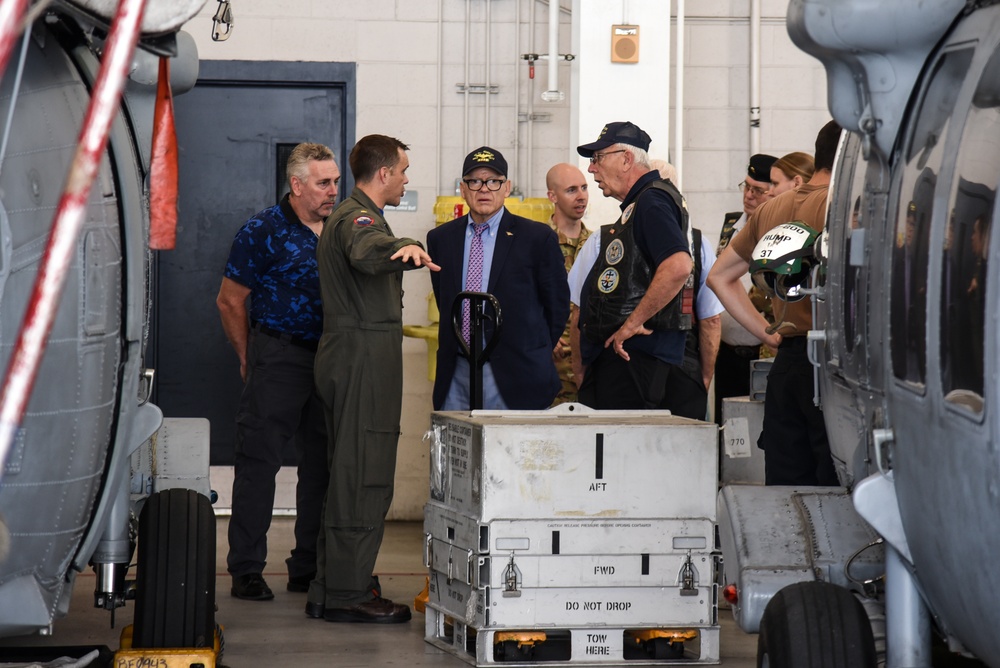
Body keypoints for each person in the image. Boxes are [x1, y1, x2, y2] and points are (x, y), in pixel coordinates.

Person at [307, 135, 439, 624]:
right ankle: (346, 592)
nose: (406, 179)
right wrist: (405, 245)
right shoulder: (359, 218)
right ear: (383, 174)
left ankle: (333, 583)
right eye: (402, 170)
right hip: (361, 354)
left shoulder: (351, 215)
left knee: (347, 471)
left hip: (354, 351)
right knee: (363, 474)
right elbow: (367, 251)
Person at [216, 142, 338, 601]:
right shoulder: (262, 230)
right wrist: (250, 355)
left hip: (329, 359)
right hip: (279, 357)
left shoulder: (341, 227)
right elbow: (230, 300)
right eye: (323, 183)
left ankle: (306, 567)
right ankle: (246, 569)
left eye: (335, 182)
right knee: (258, 463)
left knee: (321, 467)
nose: (332, 191)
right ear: (297, 184)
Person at [707, 120, 843, 486]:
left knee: (786, 494)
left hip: (788, 362)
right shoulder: (845, 205)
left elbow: (719, 277)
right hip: (834, 366)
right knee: (837, 492)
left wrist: (768, 335)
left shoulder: (772, 209)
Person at [568, 156, 720, 418]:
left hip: (619, 363)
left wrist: (581, 373)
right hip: (679, 364)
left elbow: (579, 317)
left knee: (623, 448)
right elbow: (711, 319)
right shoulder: (699, 244)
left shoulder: (600, 241)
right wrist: (702, 377)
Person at [427, 147, 569, 410]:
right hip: (457, 370)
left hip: (517, 372)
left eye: (493, 181)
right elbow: (445, 298)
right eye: (475, 181)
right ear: (462, 189)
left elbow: (557, 306)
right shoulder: (441, 239)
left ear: (507, 188)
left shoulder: (536, 238)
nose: (484, 189)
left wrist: (532, 349)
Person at [713, 153, 777, 425]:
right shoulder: (732, 225)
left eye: (758, 190)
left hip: (761, 350)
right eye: (746, 187)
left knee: (757, 424)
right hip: (726, 351)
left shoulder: (777, 232)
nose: (749, 195)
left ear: (773, 192)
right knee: (728, 424)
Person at [545, 162, 591, 404]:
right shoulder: (538, 242)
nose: (581, 196)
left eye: (584, 188)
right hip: (553, 360)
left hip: (591, 358)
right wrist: (542, 335)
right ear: (552, 195)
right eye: (571, 190)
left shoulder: (598, 244)